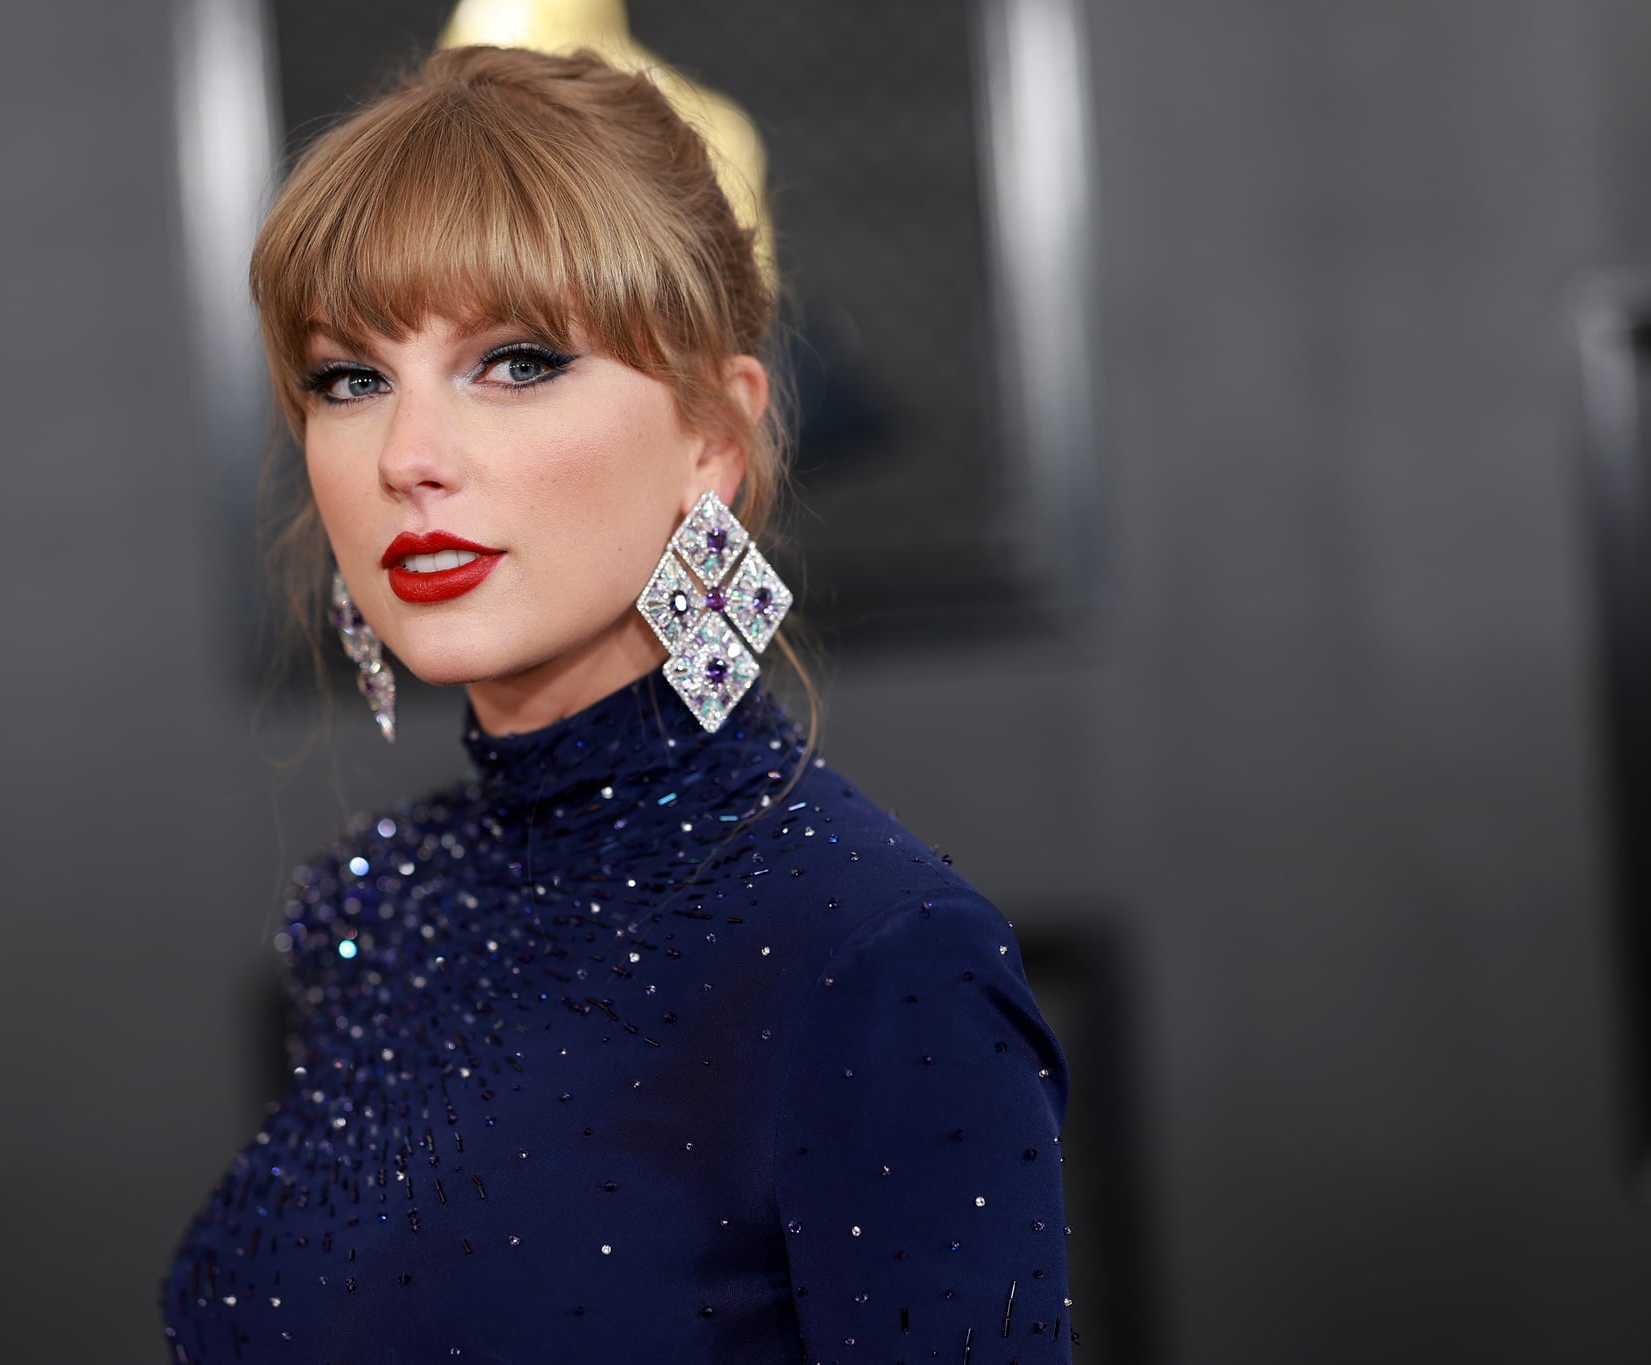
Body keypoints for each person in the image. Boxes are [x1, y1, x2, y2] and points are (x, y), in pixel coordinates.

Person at [162, 44, 1073, 1364]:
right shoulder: (377, 904)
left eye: (518, 361)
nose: (408, 457)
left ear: (715, 438)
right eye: (348, 378)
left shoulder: (876, 954)